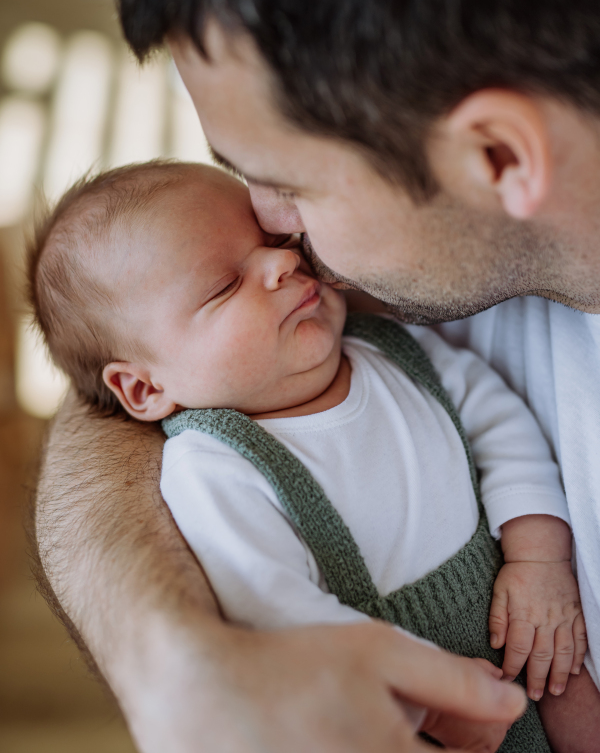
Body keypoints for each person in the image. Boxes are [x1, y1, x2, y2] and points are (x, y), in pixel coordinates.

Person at [34, 0, 600, 751]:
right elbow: (120, 388)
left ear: (497, 156)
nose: (269, 229)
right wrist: (174, 662)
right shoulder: (407, 255)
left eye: (282, 183)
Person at [29, 160, 584, 751]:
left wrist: (540, 559)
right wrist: (428, 694)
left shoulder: (395, 351)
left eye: (274, 242)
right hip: (405, 703)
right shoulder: (214, 466)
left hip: (530, 624)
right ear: (144, 389)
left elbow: (503, 431)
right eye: (223, 285)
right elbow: (276, 608)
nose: (283, 262)